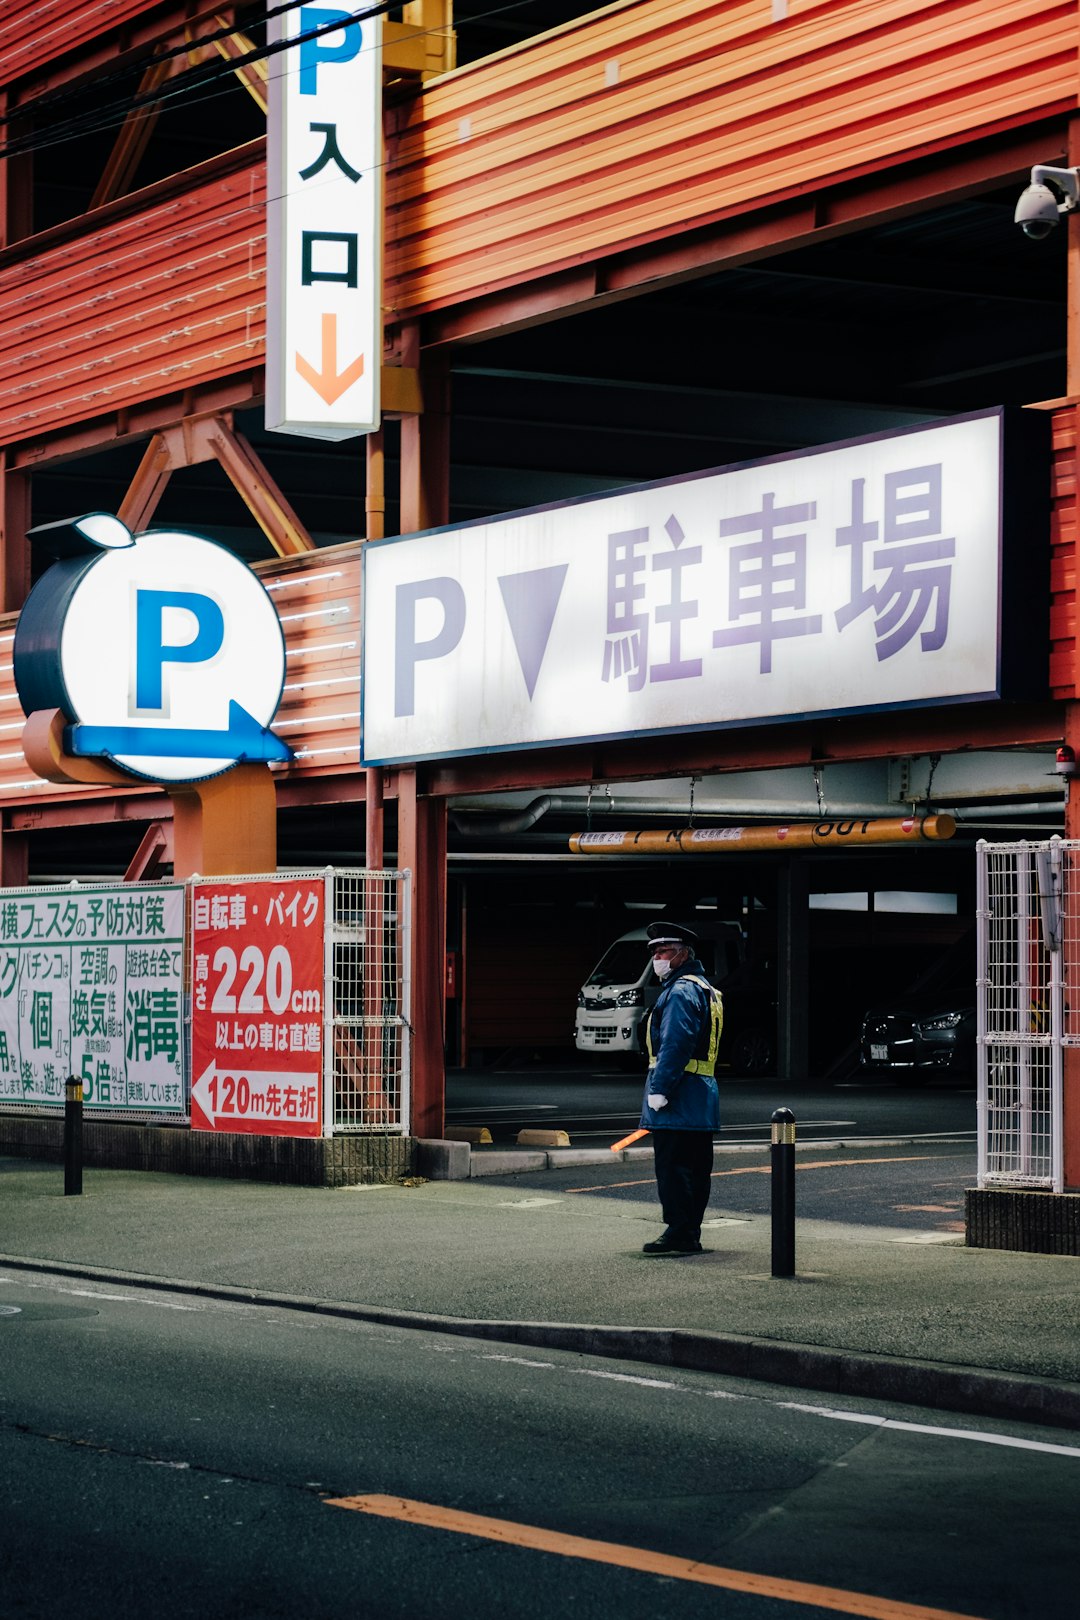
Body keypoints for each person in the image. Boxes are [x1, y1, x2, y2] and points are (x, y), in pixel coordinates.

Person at [639, 921, 722, 1256]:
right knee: (697, 1169)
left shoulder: (681, 992)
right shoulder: (706, 989)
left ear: (683, 954)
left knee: (674, 1168)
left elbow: (675, 1045)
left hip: (677, 1095)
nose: (658, 958)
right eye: (655, 952)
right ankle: (690, 1232)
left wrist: (659, 1089)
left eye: (664, 951)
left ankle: (679, 1232)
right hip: (701, 1094)